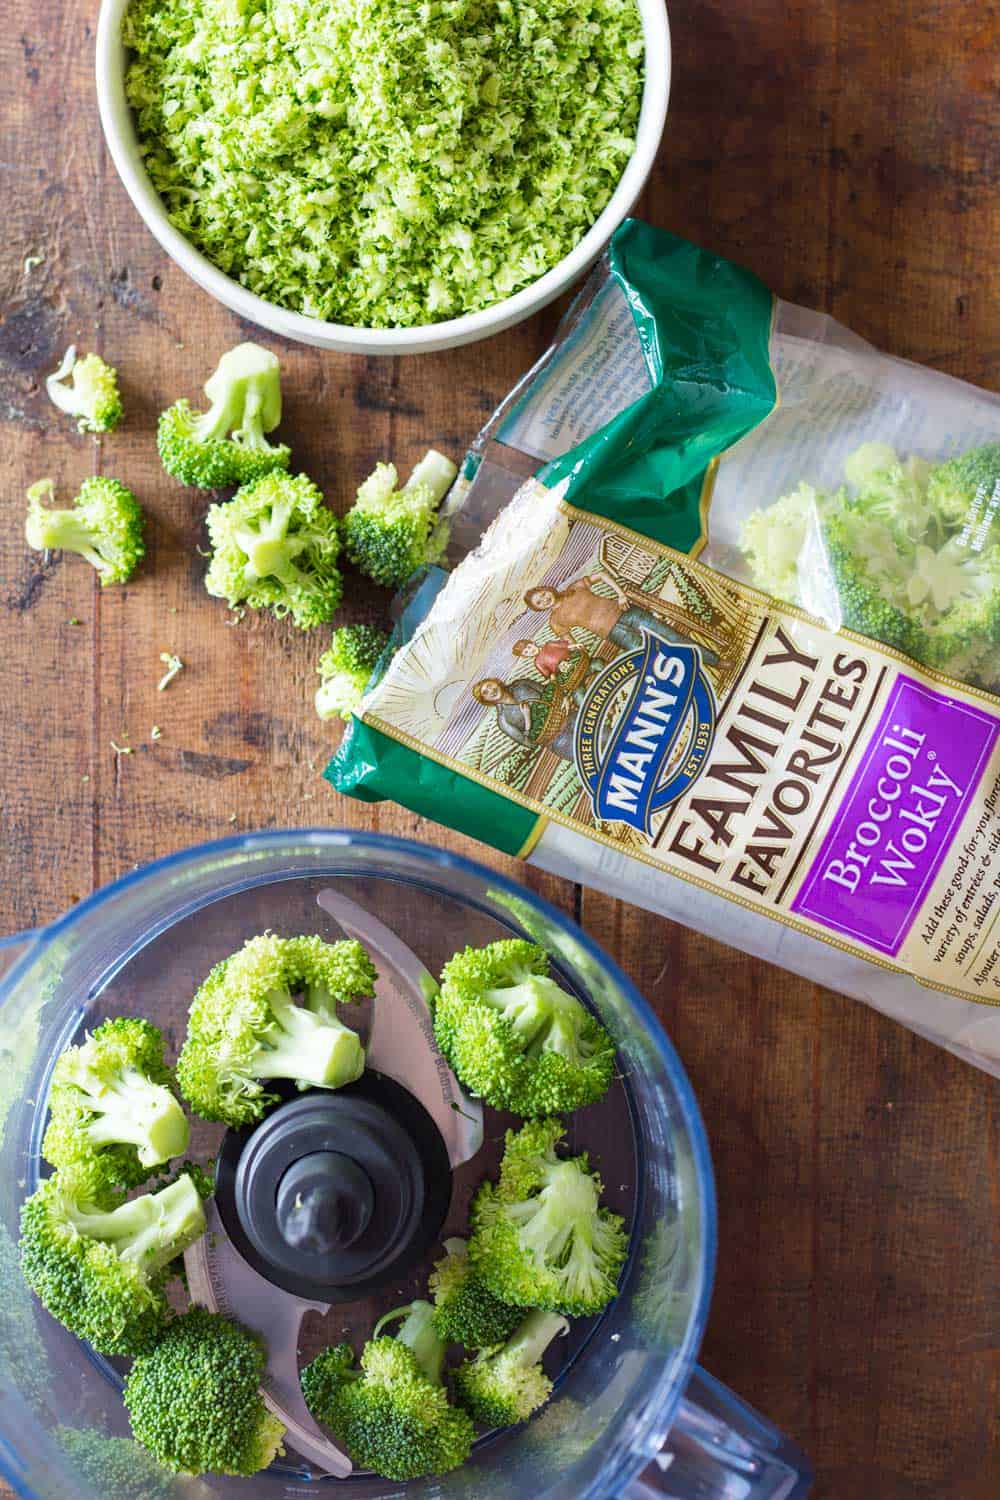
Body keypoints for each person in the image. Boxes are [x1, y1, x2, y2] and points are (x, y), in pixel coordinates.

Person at [523, 572, 719, 665]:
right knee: (654, 659)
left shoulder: (574, 588)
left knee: (671, 637)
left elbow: (601, 575)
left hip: (628, 613)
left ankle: (715, 661)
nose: (544, 600)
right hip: (615, 633)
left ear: (547, 589)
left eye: (542, 595)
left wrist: (620, 594)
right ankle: (694, 677)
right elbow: (570, 643)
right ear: (540, 609)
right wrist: (576, 649)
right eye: (539, 603)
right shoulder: (556, 621)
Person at [472, 675, 582, 763]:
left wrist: (564, 698)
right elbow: (530, 744)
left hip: (570, 717)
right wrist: (527, 719)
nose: (491, 691)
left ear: (496, 682)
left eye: (489, 685)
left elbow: (549, 692)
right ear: (486, 700)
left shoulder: (521, 684)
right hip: (560, 741)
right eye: (485, 693)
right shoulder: (503, 720)